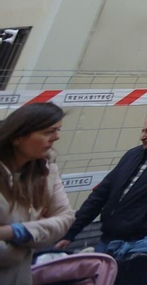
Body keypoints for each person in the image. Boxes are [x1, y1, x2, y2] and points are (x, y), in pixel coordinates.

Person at [57, 109, 147, 281]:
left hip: (142, 248)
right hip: (107, 242)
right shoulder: (133, 154)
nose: (143, 136)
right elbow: (101, 195)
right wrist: (71, 232)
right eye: (143, 130)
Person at [0, 103, 71, 285]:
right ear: (17, 136)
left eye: (58, 130)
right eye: (49, 131)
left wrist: (15, 232)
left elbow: (65, 218)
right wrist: (21, 250)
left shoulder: (47, 172)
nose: (56, 137)